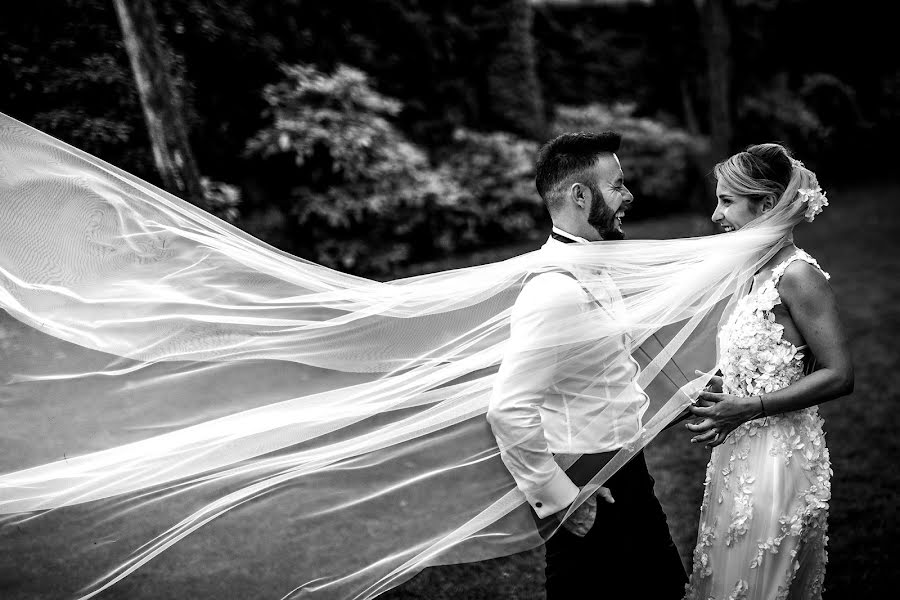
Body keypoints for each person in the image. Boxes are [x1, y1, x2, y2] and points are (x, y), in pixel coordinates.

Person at [487, 132, 688, 599]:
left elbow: (604, 374)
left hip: (629, 474)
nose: (628, 195)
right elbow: (507, 409)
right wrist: (560, 500)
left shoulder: (592, 268)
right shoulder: (554, 290)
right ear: (581, 195)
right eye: (617, 184)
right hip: (592, 491)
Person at [683, 144, 854, 599]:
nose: (716, 215)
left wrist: (751, 405)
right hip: (735, 455)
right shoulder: (753, 274)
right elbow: (774, 362)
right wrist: (724, 392)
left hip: (779, 457)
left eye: (726, 201)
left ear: (764, 204)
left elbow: (839, 374)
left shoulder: (798, 276)